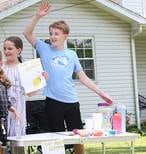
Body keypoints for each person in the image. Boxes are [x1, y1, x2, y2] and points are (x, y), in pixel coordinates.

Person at [23, 2, 113, 154]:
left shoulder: (72, 54)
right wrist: (37, 16)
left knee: (78, 139)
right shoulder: (44, 49)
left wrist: (101, 93)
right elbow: (27, 33)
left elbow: (83, 77)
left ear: (65, 36)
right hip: (53, 102)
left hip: (72, 102)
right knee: (55, 141)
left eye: (56, 34)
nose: (52, 36)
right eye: (51, 33)